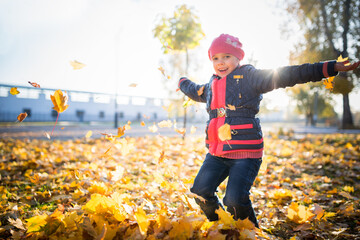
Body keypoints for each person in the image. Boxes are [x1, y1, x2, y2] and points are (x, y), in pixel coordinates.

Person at [178, 33, 360, 228]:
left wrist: (329, 67)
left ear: (238, 57)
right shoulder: (211, 86)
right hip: (217, 154)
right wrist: (182, 82)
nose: (221, 62)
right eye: (215, 58)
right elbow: (195, 90)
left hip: (245, 154)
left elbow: (288, 74)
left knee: (234, 200)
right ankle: (221, 226)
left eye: (227, 56)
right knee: (200, 191)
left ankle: (252, 233)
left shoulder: (250, 77)